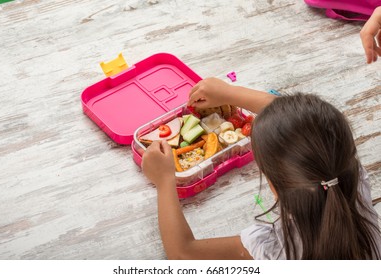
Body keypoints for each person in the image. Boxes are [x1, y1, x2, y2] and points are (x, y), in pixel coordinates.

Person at [141, 77, 381, 259]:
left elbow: (184, 253)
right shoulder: (352, 181)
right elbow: (312, 127)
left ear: (273, 184)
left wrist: (164, 182)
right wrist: (229, 92)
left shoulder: (276, 246)